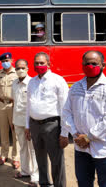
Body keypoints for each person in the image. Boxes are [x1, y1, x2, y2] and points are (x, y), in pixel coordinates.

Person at [62, 50, 106, 187]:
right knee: (83, 183)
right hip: (81, 148)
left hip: (103, 149)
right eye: (87, 63)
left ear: (103, 65)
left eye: (94, 63)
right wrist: (77, 134)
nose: (90, 66)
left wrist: (88, 137)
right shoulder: (75, 87)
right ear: (82, 66)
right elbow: (66, 113)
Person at [25, 52, 69, 187]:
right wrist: (27, 126)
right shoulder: (31, 81)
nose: (39, 65)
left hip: (52, 126)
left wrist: (65, 133)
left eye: (42, 63)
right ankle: (44, 183)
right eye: (36, 63)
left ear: (49, 64)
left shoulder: (58, 80)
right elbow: (28, 105)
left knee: (56, 160)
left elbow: (65, 108)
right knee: (40, 158)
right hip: (34, 125)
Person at [11, 59, 39, 187]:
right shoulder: (14, 83)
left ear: (27, 68)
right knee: (22, 146)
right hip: (17, 120)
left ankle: (35, 177)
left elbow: (34, 105)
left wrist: (30, 124)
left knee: (33, 149)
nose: (20, 70)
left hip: (30, 121)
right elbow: (14, 102)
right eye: (17, 68)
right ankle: (25, 171)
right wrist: (13, 120)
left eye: (22, 68)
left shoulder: (32, 83)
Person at [0, 52, 19, 168]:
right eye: (3, 61)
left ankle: (16, 157)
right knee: (3, 131)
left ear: (11, 61)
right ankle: (3, 155)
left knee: (16, 132)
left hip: (13, 105)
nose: (5, 63)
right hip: (1, 104)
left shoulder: (17, 73)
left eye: (7, 61)